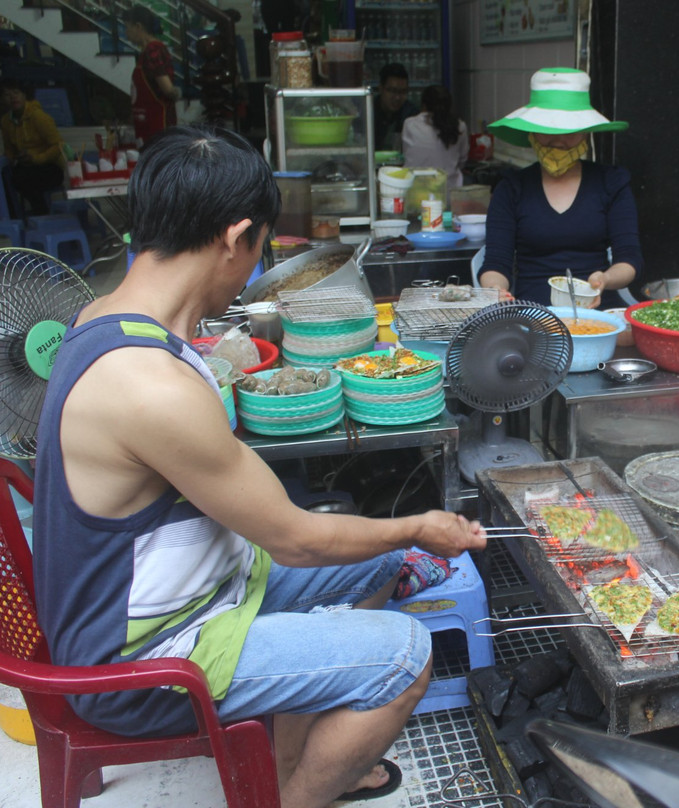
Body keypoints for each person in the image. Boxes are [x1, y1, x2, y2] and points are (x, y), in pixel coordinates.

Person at [32, 125, 487, 808]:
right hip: (143, 662)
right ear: (235, 235)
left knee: (375, 559)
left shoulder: (106, 314)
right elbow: (295, 538)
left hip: (202, 596)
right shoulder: (147, 384)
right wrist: (421, 525)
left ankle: (291, 758)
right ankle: (292, 799)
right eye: (258, 251)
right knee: (404, 654)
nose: (252, 270)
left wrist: (396, 541)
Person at [479, 67, 642, 310]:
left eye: (569, 131)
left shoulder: (611, 183)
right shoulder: (512, 188)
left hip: (599, 312)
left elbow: (629, 260)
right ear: (531, 132)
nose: (557, 141)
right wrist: (495, 289)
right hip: (533, 314)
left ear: (587, 133)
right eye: (547, 130)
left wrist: (605, 279)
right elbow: (496, 262)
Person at [0, 79, 66, 216]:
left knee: (25, 179)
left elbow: (58, 146)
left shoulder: (38, 116)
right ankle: (13, 217)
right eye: (7, 94)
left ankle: (42, 216)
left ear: (24, 95)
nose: (13, 97)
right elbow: (9, 149)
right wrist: (11, 158)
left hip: (50, 166)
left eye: (16, 93)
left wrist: (36, 158)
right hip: (26, 166)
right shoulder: (6, 121)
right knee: (7, 177)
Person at [123, 4, 180, 146]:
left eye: (127, 27)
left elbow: (167, 89)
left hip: (158, 125)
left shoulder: (153, 51)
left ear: (138, 26)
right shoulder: (146, 52)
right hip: (147, 124)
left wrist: (177, 93)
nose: (126, 32)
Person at [402, 84, 469, 188]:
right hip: (449, 193)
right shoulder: (460, 126)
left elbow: (408, 154)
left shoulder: (410, 124)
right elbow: (463, 160)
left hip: (415, 192)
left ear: (423, 105)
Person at [371, 62, 418, 152]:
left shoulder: (411, 114)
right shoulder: (369, 112)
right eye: (392, 91)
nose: (397, 97)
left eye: (403, 92)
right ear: (381, 89)